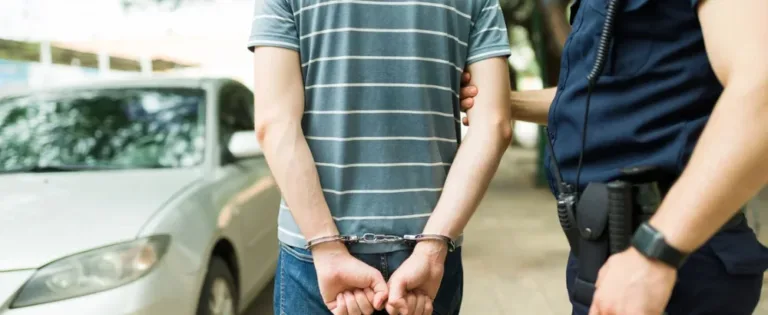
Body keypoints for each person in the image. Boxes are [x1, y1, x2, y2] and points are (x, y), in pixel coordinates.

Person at [459, 0, 768, 314]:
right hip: (608, 251)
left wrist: (655, 253)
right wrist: (504, 102)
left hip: (671, 255)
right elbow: (599, 100)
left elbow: (761, 90)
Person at [248, 1, 513, 314]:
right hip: (427, 251)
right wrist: (432, 248)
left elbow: (275, 125)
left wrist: (328, 250)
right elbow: (495, 125)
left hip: (314, 254)